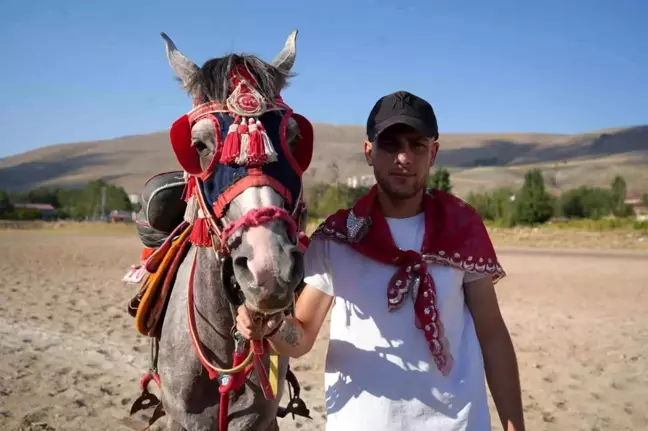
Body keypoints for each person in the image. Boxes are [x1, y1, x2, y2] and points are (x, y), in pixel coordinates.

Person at [236, 90, 525, 431]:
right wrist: (268, 326)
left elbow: (491, 334)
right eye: (390, 145)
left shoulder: (462, 228)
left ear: (433, 153)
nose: (404, 158)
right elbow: (301, 338)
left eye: (417, 145)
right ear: (369, 152)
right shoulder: (338, 238)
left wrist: (513, 425)